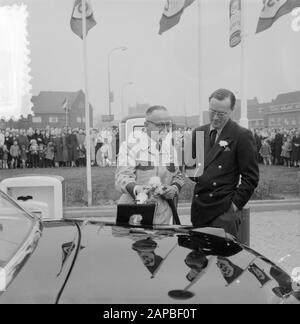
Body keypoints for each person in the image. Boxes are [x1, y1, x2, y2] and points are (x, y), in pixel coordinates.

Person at [191, 89, 259, 238]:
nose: (215, 118)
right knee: (200, 257)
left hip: (223, 211)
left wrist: (233, 206)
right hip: (199, 209)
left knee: (222, 260)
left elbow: (251, 177)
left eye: (221, 114)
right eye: (212, 111)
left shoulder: (241, 135)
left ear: (232, 111)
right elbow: (194, 171)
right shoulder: (199, 133)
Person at [115, 106, 185, 225]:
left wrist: (174, 188)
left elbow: (178, 176)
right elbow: (122, 178)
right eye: (159, 125)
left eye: (167, 125)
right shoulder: (129, 146)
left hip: (163, 217)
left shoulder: (171, 149)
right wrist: (138, 189)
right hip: (134, 215)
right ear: (146, 125)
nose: (164, 129)